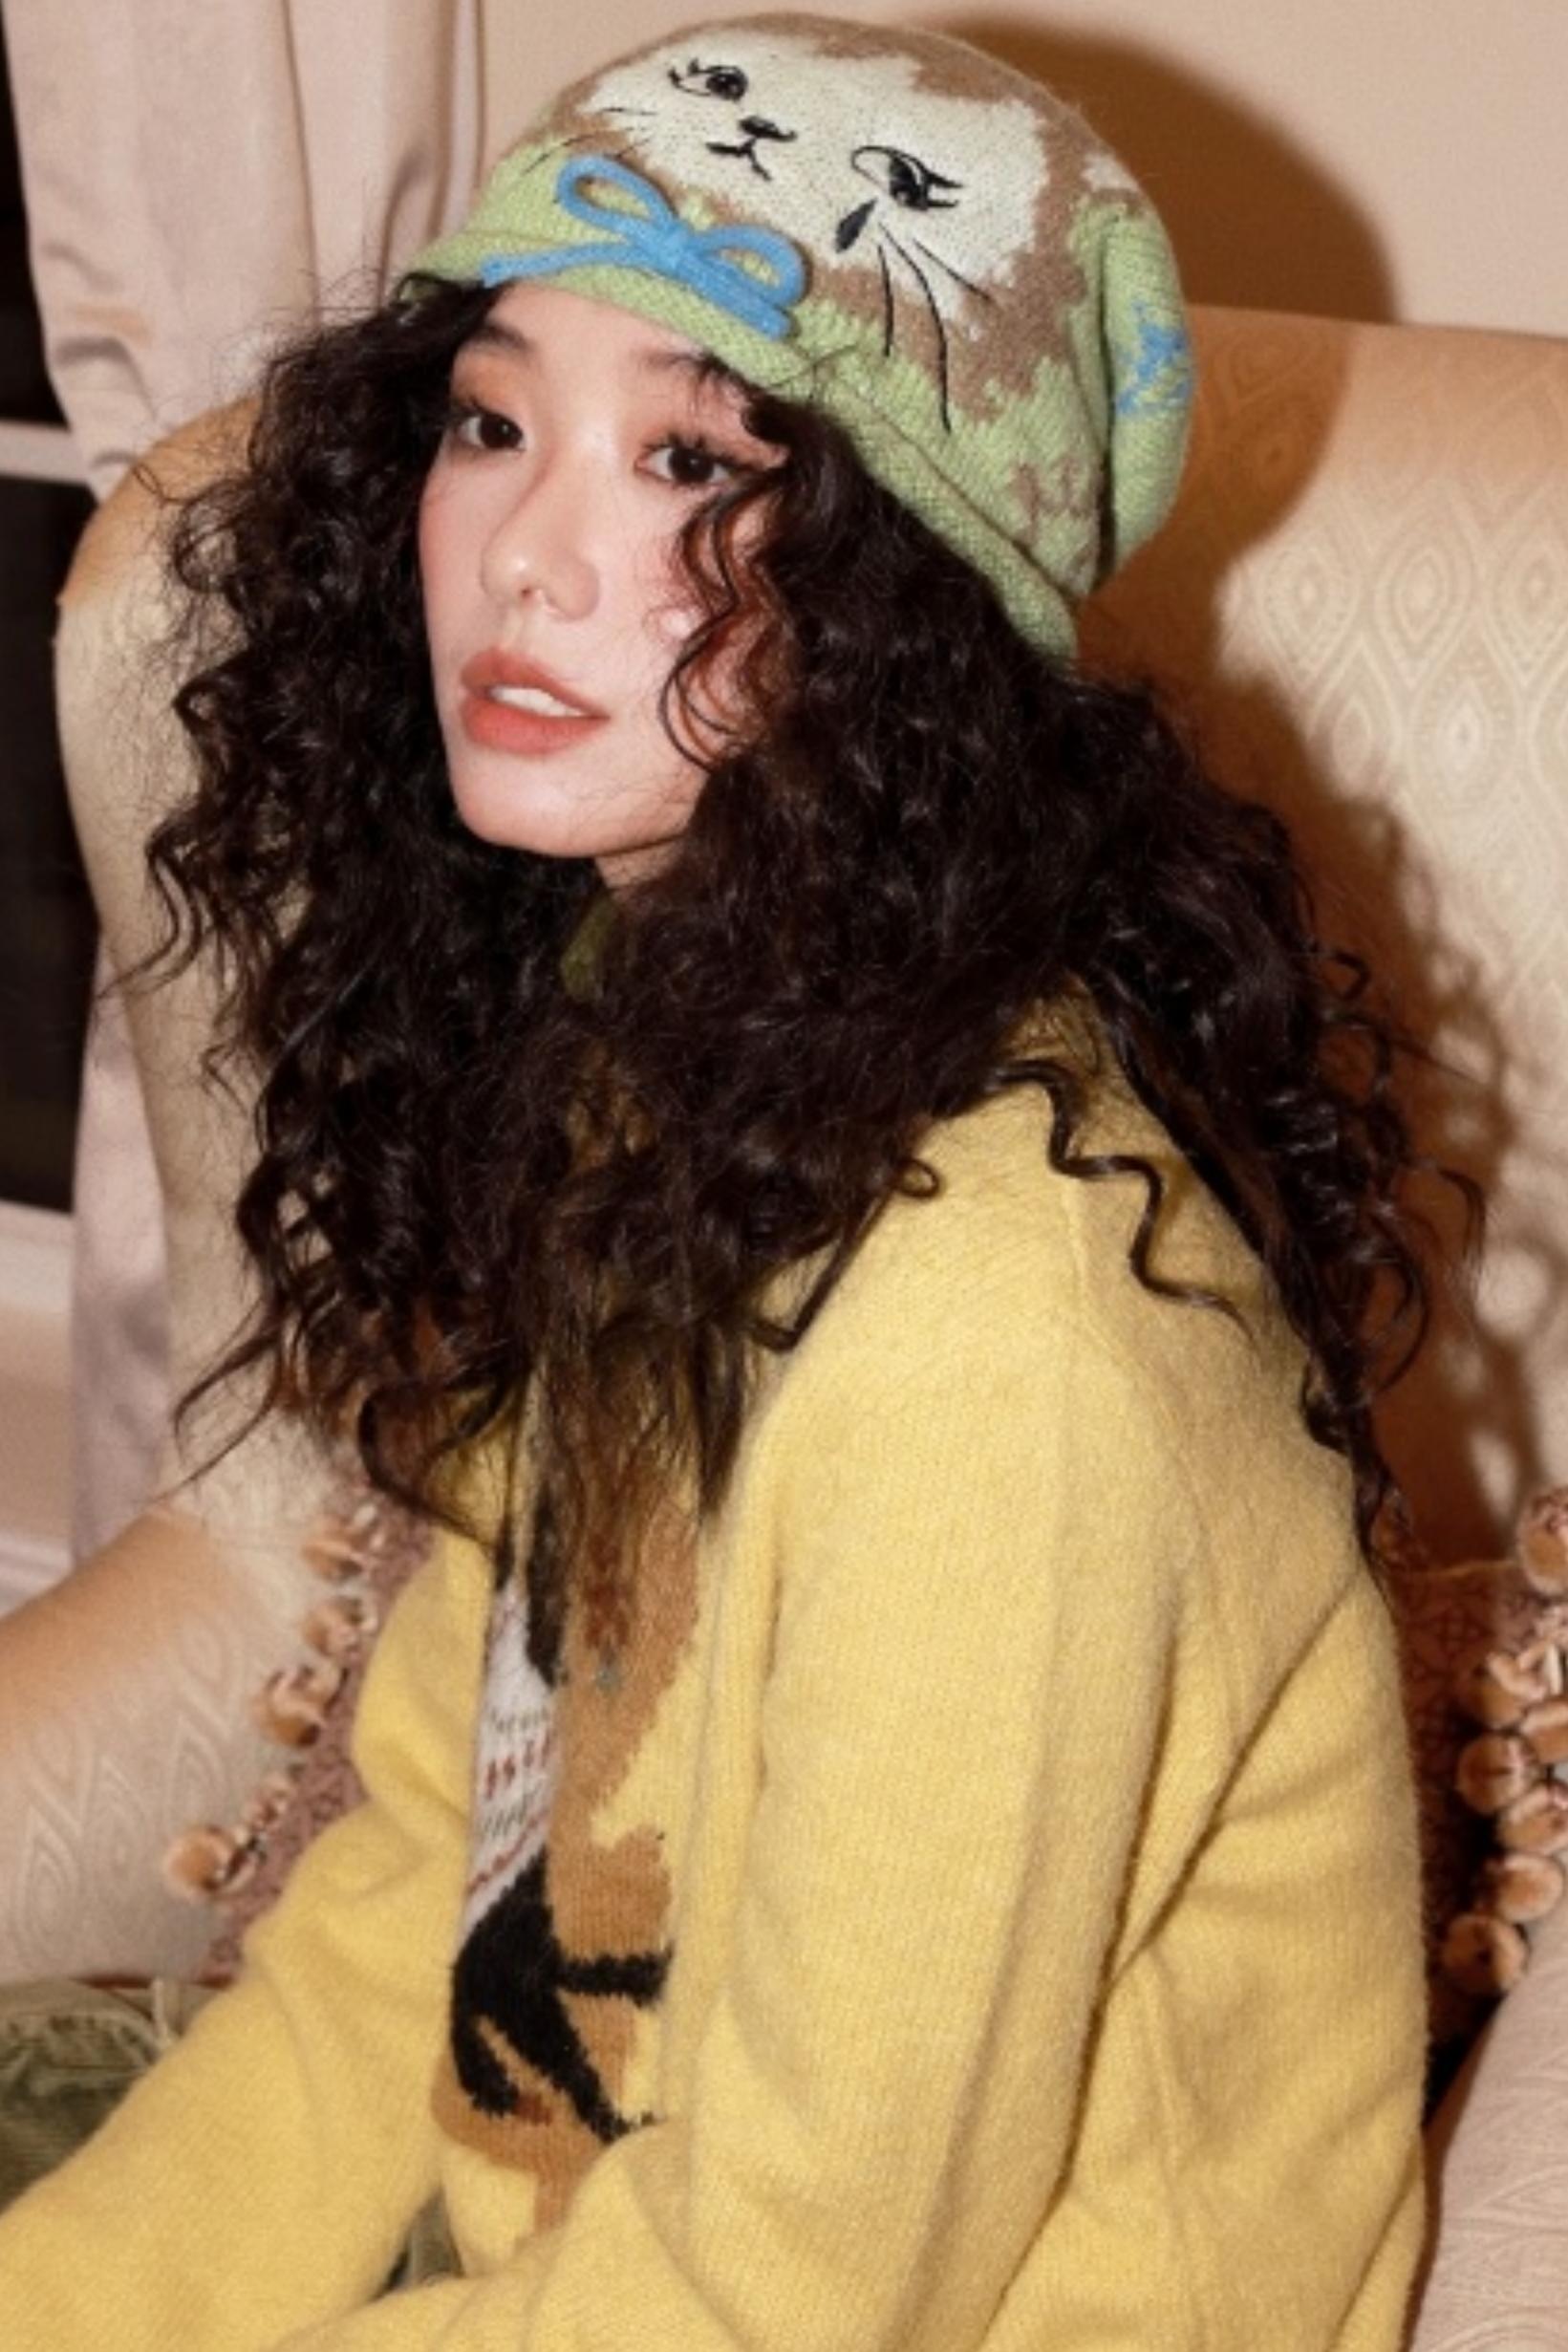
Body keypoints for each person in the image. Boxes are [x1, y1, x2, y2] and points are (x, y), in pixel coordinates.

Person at [0, 13, 1481, 2345]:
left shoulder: (1002, 1346)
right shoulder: (655, 1073)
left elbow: (791, 2291)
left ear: (907, 594)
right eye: (490, 421)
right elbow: (426, 1890)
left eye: (689, 456)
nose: (526, 552)